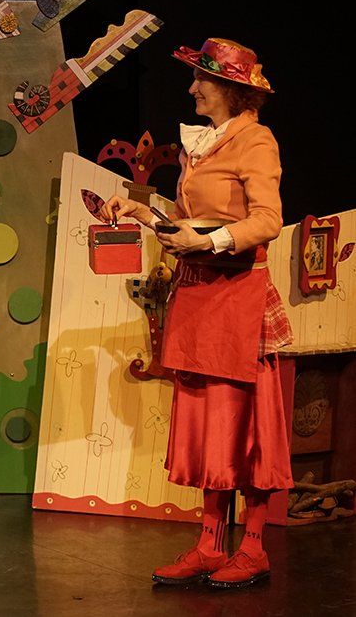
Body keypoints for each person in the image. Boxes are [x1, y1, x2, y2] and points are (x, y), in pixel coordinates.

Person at [104, 38, 293, 589]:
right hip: (199, 296)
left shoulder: (255, 140)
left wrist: (209, 243)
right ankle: (210, 544)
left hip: (238, 296)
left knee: (247, 426)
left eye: (201, 80)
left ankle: (252, 548)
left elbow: (267, 220)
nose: (191, 88)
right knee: (211, 425)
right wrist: (142, 211)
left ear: (230, 89)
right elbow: (191, 219)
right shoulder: (202, 145)